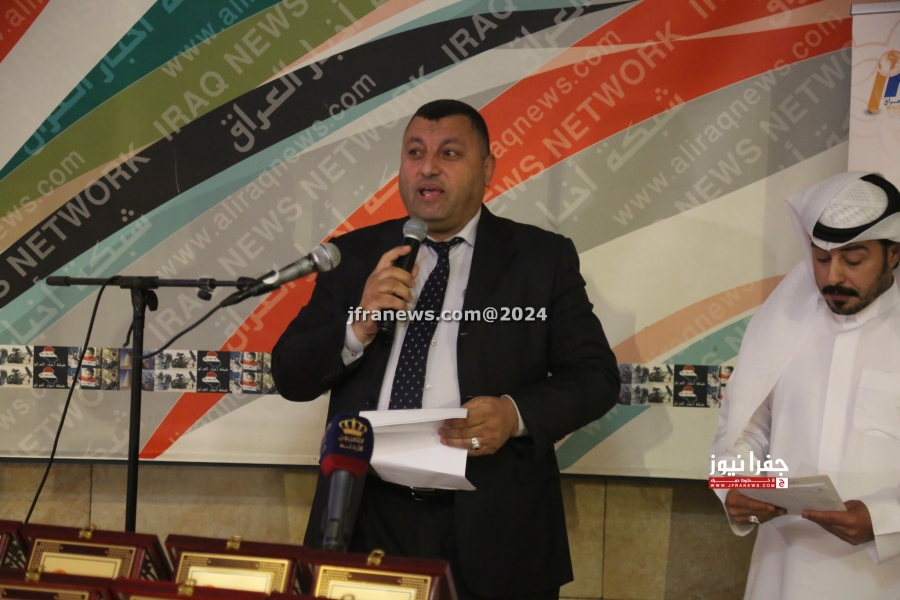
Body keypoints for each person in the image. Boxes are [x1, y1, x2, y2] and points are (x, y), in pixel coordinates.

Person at [272, 99, 619, 599]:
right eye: (415, 152)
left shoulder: (541, 258)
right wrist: (357, 325)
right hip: (366, 519)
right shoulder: (356, 256)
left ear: (488, 169)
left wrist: (514, 414)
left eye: (449, 153)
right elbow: (290, 374)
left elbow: (595, 376)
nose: (428, 167)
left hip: (493, 524)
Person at [711, 172, 900, 599]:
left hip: (885, 576)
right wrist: (735, 487)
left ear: (893, 254)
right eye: (820, 259)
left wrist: (884, 519)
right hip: (784, 570)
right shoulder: (782, 325)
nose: (833, 276)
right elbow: (744, 428)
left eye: (853, 260)